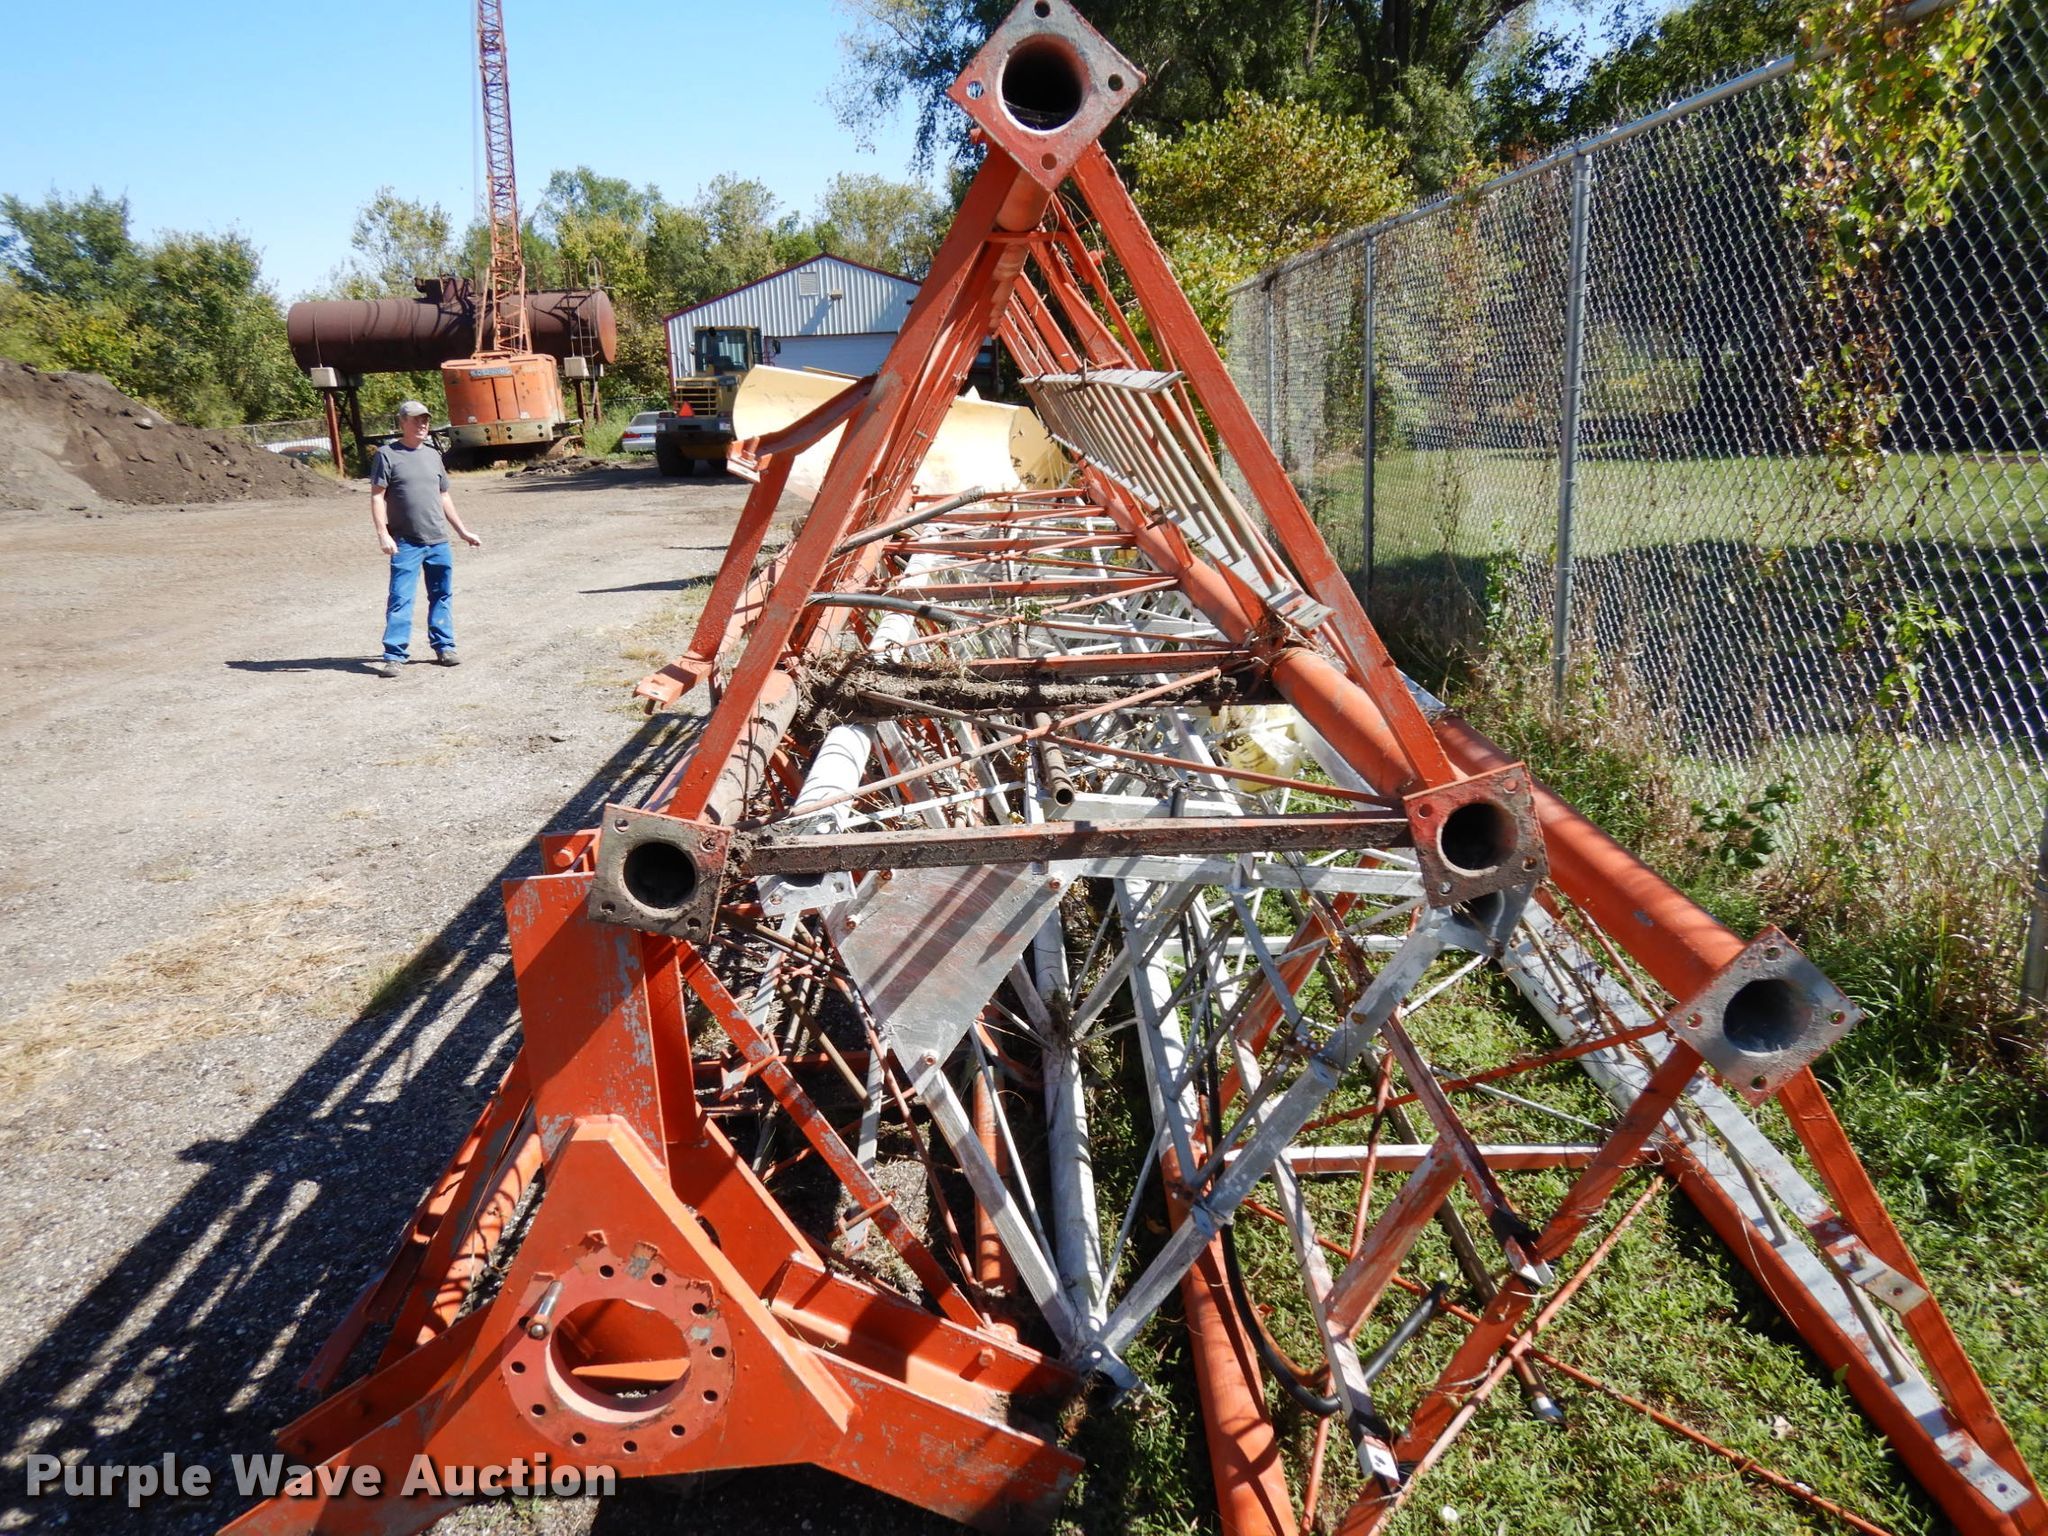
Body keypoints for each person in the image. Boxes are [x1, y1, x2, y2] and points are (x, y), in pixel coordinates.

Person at [368, 400, 482, 677]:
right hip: (405, 542)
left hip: (438, 541)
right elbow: (377, 497)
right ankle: (394, 656)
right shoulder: (387, 455)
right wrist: (383, 534)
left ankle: (445, 647)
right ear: (402, 422)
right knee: (401, 597)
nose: (422, 424)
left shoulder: (433, 455)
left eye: (425, 420)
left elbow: (444, 496)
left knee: (441, 595)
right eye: (416, 420)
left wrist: (462, 531)